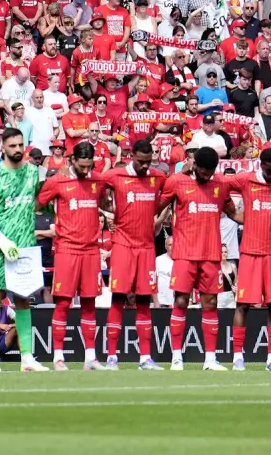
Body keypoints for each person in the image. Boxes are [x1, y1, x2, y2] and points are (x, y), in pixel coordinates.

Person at [157, 147, 240, 371]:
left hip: (211, 254)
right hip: (184, 253)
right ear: (195, 166)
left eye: (211, 171)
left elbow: (233, 213)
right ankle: (176, 357)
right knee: (181, 301)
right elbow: (157, 206)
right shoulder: (177, 182)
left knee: (210, 303)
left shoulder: (221, 185)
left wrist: (259, 217)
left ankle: (210, 359)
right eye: (204, 171)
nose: (207, 175)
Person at [0, 127, 48, 373]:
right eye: (13, 145)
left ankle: (27, 358)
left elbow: (39, 202)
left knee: (24, 301)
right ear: (2, 146)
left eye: (21, 145)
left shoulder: (32, 173)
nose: (18, 149)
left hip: (26, 246)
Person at [36, 141, 108, 371]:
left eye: (90, 166)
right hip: (66, 248)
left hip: (91, 250)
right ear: (72, 160)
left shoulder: (97, 181)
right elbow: (37, 205)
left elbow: (105, 201)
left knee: (89, 303)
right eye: (83, 166)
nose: (87, 170)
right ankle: (58, 357)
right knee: (63, 303)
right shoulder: (57, 181)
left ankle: (90, 358)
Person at [226, 148, 271, 371]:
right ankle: (237, 357)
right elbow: (220, 186)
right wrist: (232, 213)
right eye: (269, 169)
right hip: (250, 252)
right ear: (260, 164)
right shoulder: (245, 179)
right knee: (243, 305)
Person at [103, 140, 167, 370]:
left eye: (148, 162)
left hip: (147, 248)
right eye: (141, 161)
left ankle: (145, 358)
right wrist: (109, 208)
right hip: (122, 245)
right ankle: (111, 357)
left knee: (144, 301)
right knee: (118, 298)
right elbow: (97, 189)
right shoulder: (115, 176)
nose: (144, 166)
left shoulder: (157, 177)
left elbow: (168, 195)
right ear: (131, 156)